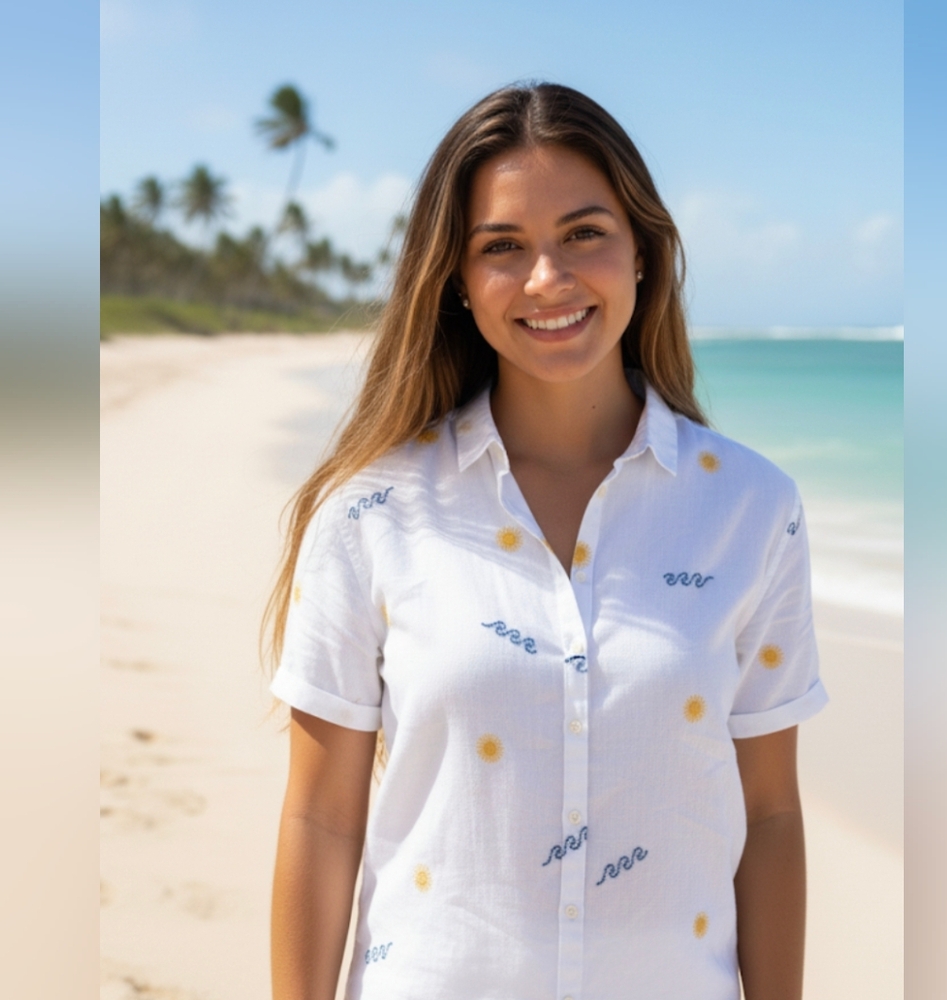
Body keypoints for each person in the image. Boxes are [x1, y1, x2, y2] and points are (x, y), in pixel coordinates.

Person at [266, 82, 827, 1000]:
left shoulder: (752, 509)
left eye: (583, 234)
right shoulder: (371, 513)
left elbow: (769, 815)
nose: (546, 279)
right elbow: (322, 820)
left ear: (642, 251)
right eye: (502, 246)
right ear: (456, 278)